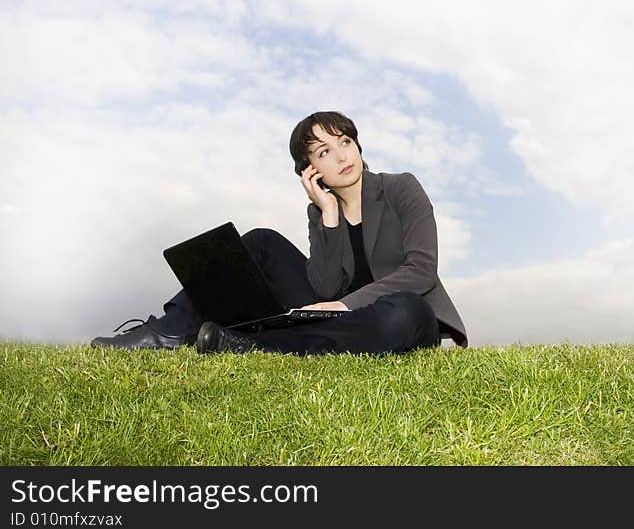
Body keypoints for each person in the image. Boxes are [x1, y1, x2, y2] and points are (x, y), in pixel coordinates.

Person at [90, 110, 468, 355]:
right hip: (330, 315)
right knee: (261, 241)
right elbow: (322, 287)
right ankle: (167, 332)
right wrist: (329, 215)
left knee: (404, 310)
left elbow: (421, 271)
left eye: (345, 142)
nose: (341, 156)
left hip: (397, 317)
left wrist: (342, 306)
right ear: (310, 170)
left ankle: (254, 343)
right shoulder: (320, 211)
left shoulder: (401, 187)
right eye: (323, 152)